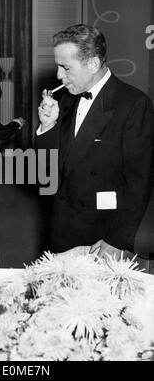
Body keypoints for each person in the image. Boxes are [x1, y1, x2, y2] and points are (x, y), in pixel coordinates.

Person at [35, 24, 154, 260]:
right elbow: (45, 171)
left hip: (103, 235)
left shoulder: (133, 104)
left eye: (65, 67)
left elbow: (140, 183)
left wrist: (117, 240)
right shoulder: (67, 100)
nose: (59, 75)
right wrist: (47, 127)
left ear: (93, 63)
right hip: (62, 227)